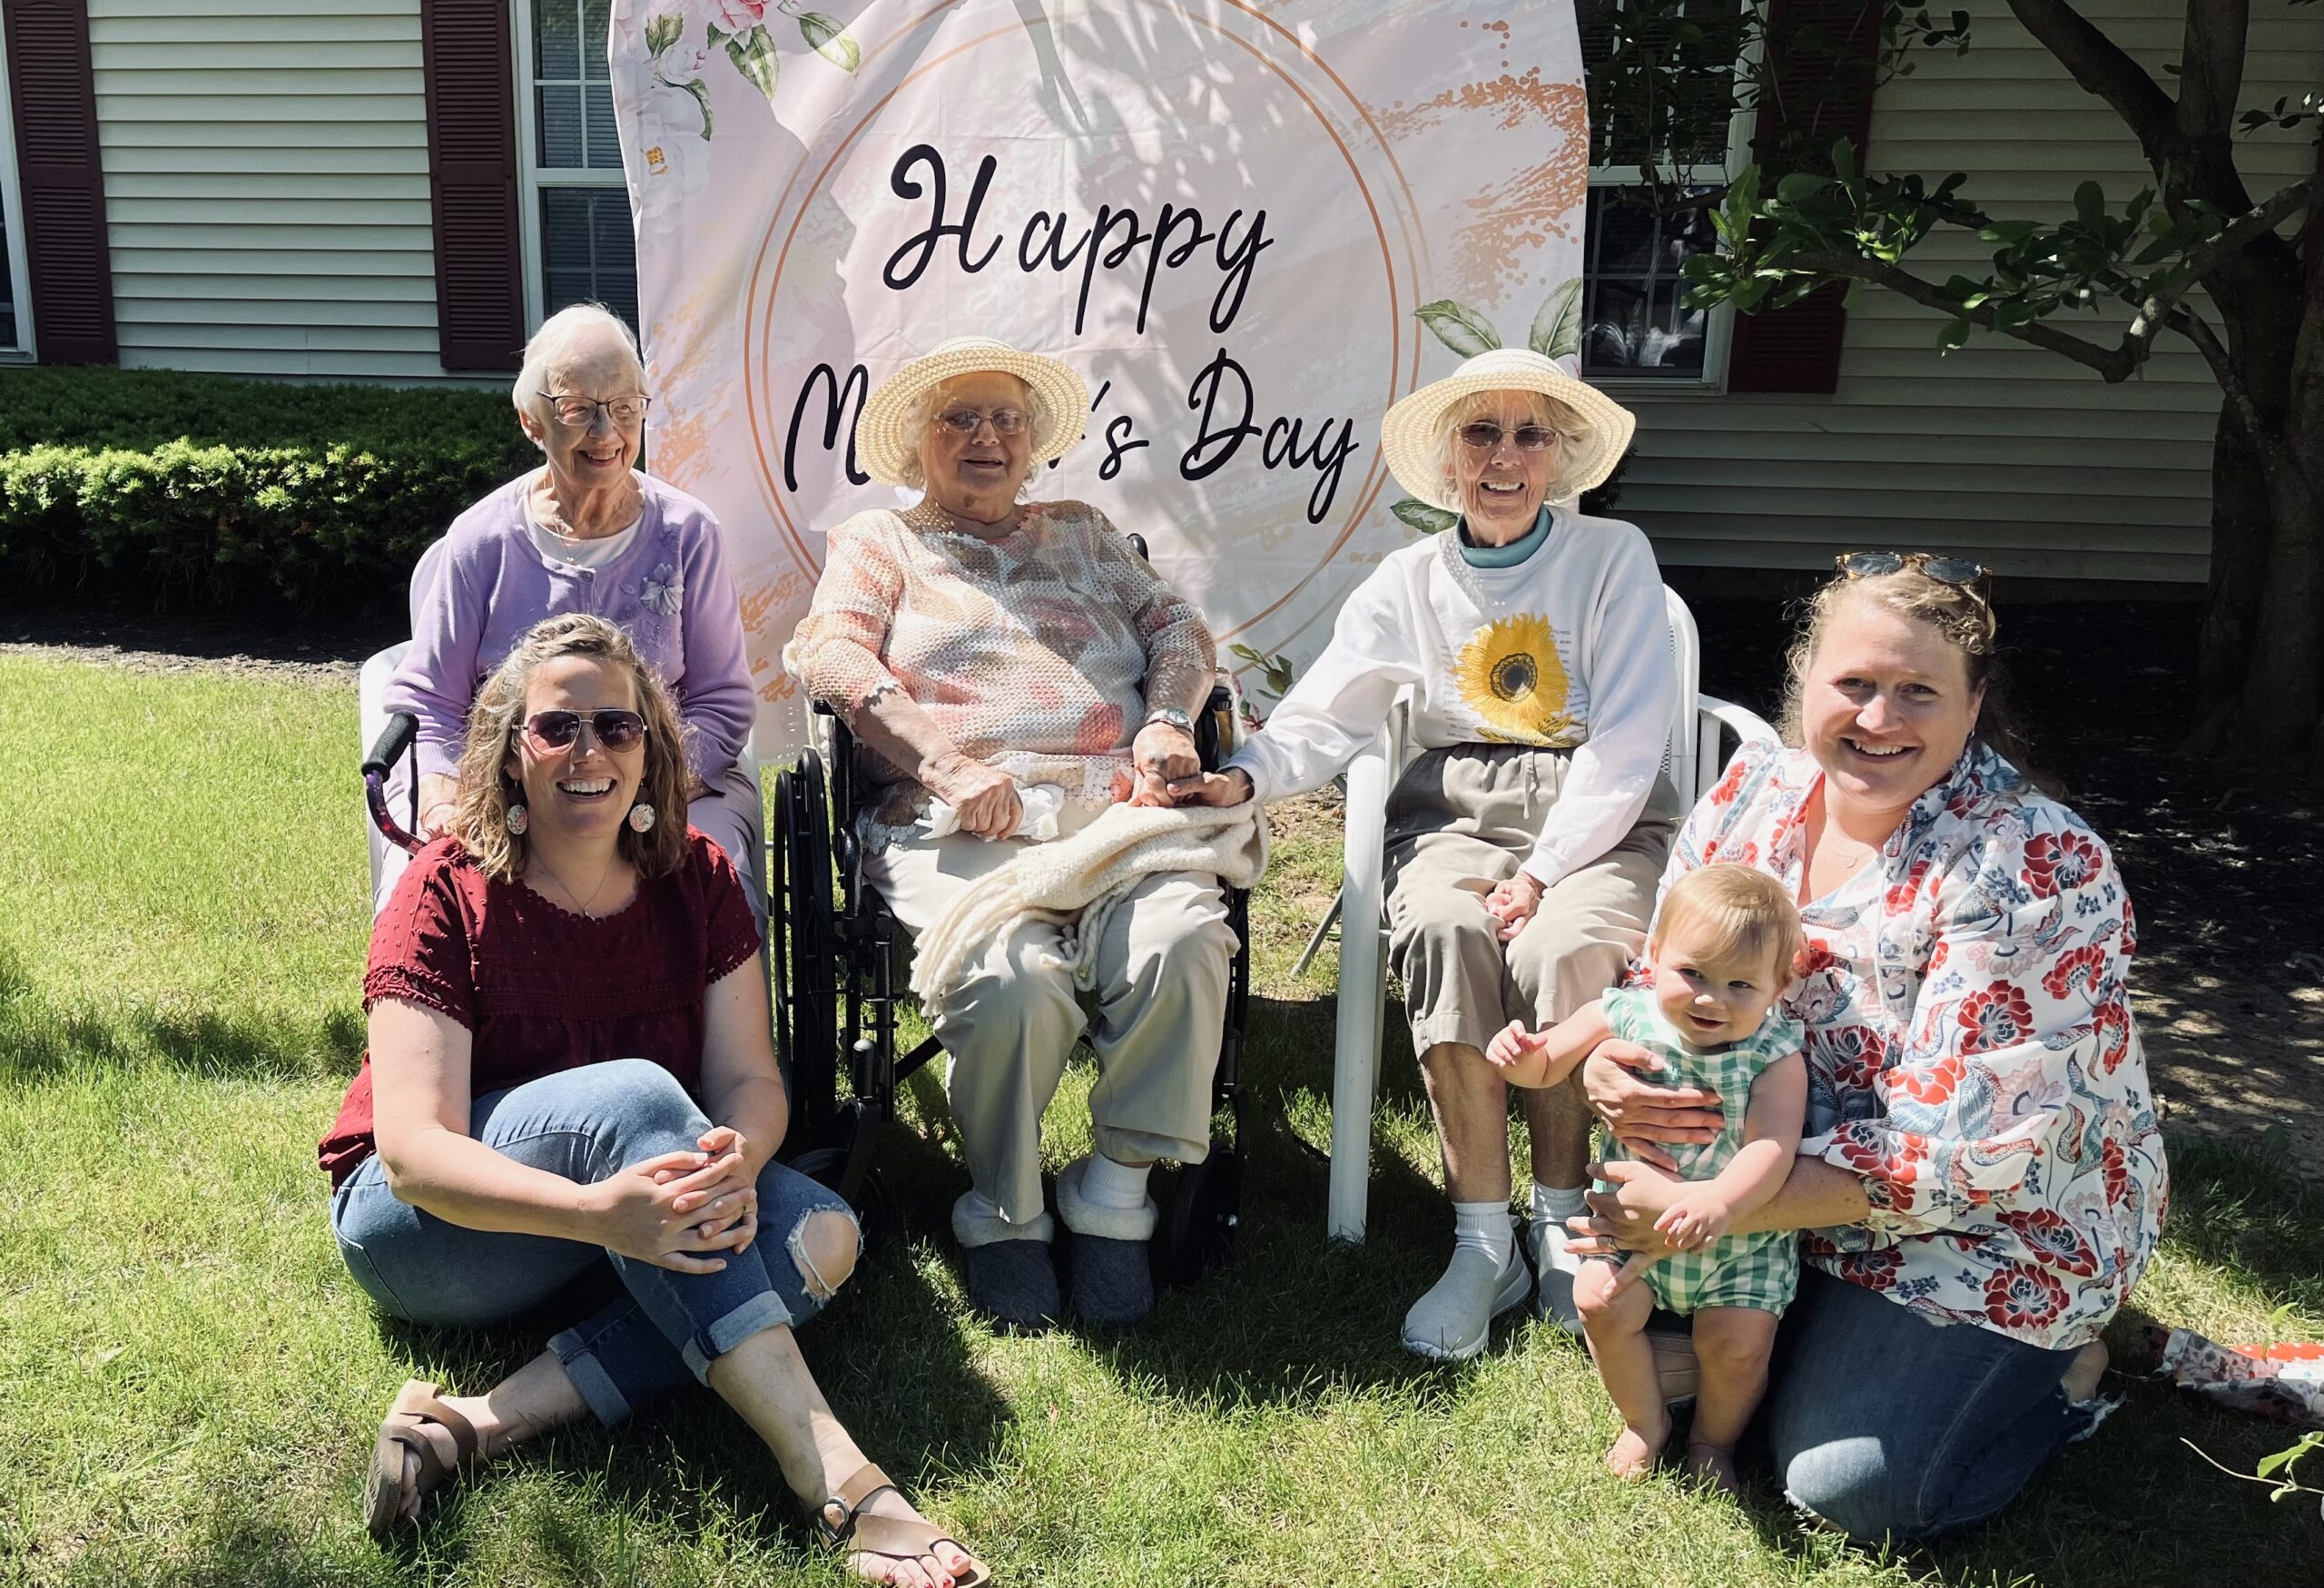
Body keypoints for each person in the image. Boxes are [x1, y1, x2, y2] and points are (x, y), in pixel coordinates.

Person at [325, 615, 983, 1588]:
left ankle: (472, 1425)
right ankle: (841, 1480)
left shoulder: (697, 879)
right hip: (430, 1229)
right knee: (638, 1097)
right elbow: (418, 1152)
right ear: (511, 752)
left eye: (616, 728)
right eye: (557, 729)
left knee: (824, 1237)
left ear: (651, 749)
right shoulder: (446, 889)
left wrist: (738, 1165)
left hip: (628, 1207)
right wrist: (601, 1215)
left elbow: (750, 1085)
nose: (589, 752)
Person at [1571, 554, 2167, 1540]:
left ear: (1973, 707)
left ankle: (2071, 1367)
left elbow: (1955, 1157)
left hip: (1984, 1227)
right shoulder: (1752, 791)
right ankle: (1806, 1339)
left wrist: (1704, 1211)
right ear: (1804, 679)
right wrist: (1611, 1062)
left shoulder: (2031, 864)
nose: (1877, 719)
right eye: (1852, 683)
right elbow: (1661, 971)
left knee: (1852, 1487)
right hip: (1772, 1193)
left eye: (1917, 692)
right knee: (1632, 1334)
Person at [1171, 346, 1679, 1359]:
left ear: (1560, 455)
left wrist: (1541, 875)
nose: (1504, 456)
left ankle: (1561, 1227)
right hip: (1453, 808)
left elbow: (1627, 743)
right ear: (1448, 459)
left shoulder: (1612, 555)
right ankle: (1481, 1244)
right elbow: (1328, 713)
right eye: (1479, 433)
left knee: (1560, 953)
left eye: (1528, 434)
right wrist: (1245, 776)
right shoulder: (1408, 578)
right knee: (1445, 931)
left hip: (1596, 809)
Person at [783, 336, 1235, 1331]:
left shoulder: (1082, 530)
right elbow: (829, 653)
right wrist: (944, 761)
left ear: (1033, 443)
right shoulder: (881, 543)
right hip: (956, 818)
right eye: (959, 418)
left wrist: (1164, 719)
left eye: (1005, 420)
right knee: (1011, 982)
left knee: (1184, 943)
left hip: (1113, 819)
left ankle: (1114, 1195)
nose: (985, 437)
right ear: (916, 442)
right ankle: (1005, 1209)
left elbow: (1179, 631)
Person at [379, 302, 763, 928]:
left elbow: (720, 699)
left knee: (716, 889)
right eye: (579, 409)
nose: (606, 432)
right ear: (533, 422)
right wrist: (451, 795)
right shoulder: (481, 541)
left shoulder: (688, 534)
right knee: (433, 895)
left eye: (624, 406)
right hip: (514, 792)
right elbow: (430, 702)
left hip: (656, 792)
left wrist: (637, 788)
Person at [1488, 863, 1807, 1491]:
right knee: (1597, 1301)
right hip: (1631, 1224)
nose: (1711, 998)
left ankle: (1714, 1440)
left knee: (1736, 1345)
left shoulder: (1775, 1055)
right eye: (1693, 974)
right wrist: (1522, 1057)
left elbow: (1772, 1144)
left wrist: (1720, 1200)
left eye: (1741, 984)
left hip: (1737, 1241)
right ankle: (1644, 1421)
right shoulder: (1627, 1014)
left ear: (1780, 985)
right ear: (1654, 954)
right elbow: (1550, 1059)